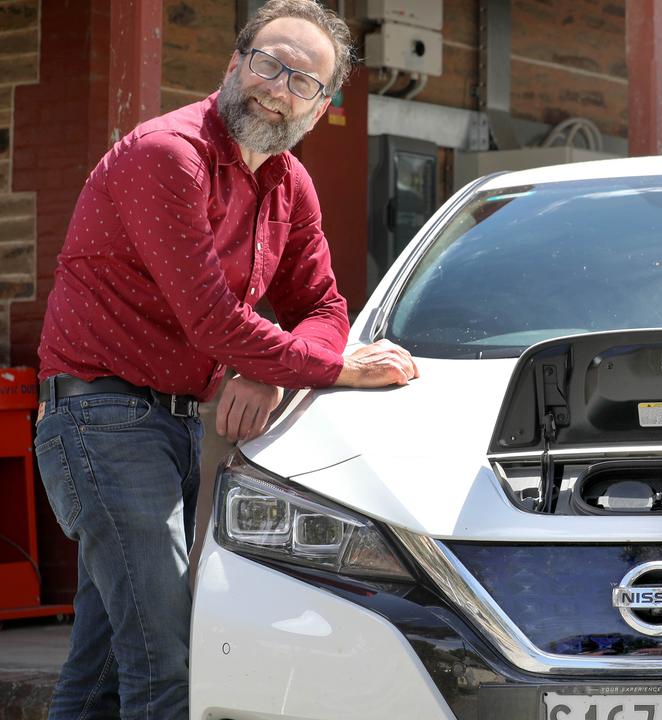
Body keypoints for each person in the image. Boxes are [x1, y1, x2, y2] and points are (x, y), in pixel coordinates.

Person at [32, 1, 418, 718]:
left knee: (101, 671)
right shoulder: (167, 154)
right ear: (234, 64)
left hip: (174, 427)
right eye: (269, 62)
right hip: (101, 419)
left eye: (304, 80)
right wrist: (334, 370)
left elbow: (326, 309)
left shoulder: (289, 185)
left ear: (323, 105)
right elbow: (210, 318)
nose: (280, 86)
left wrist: (272, 367)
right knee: (167, 658)